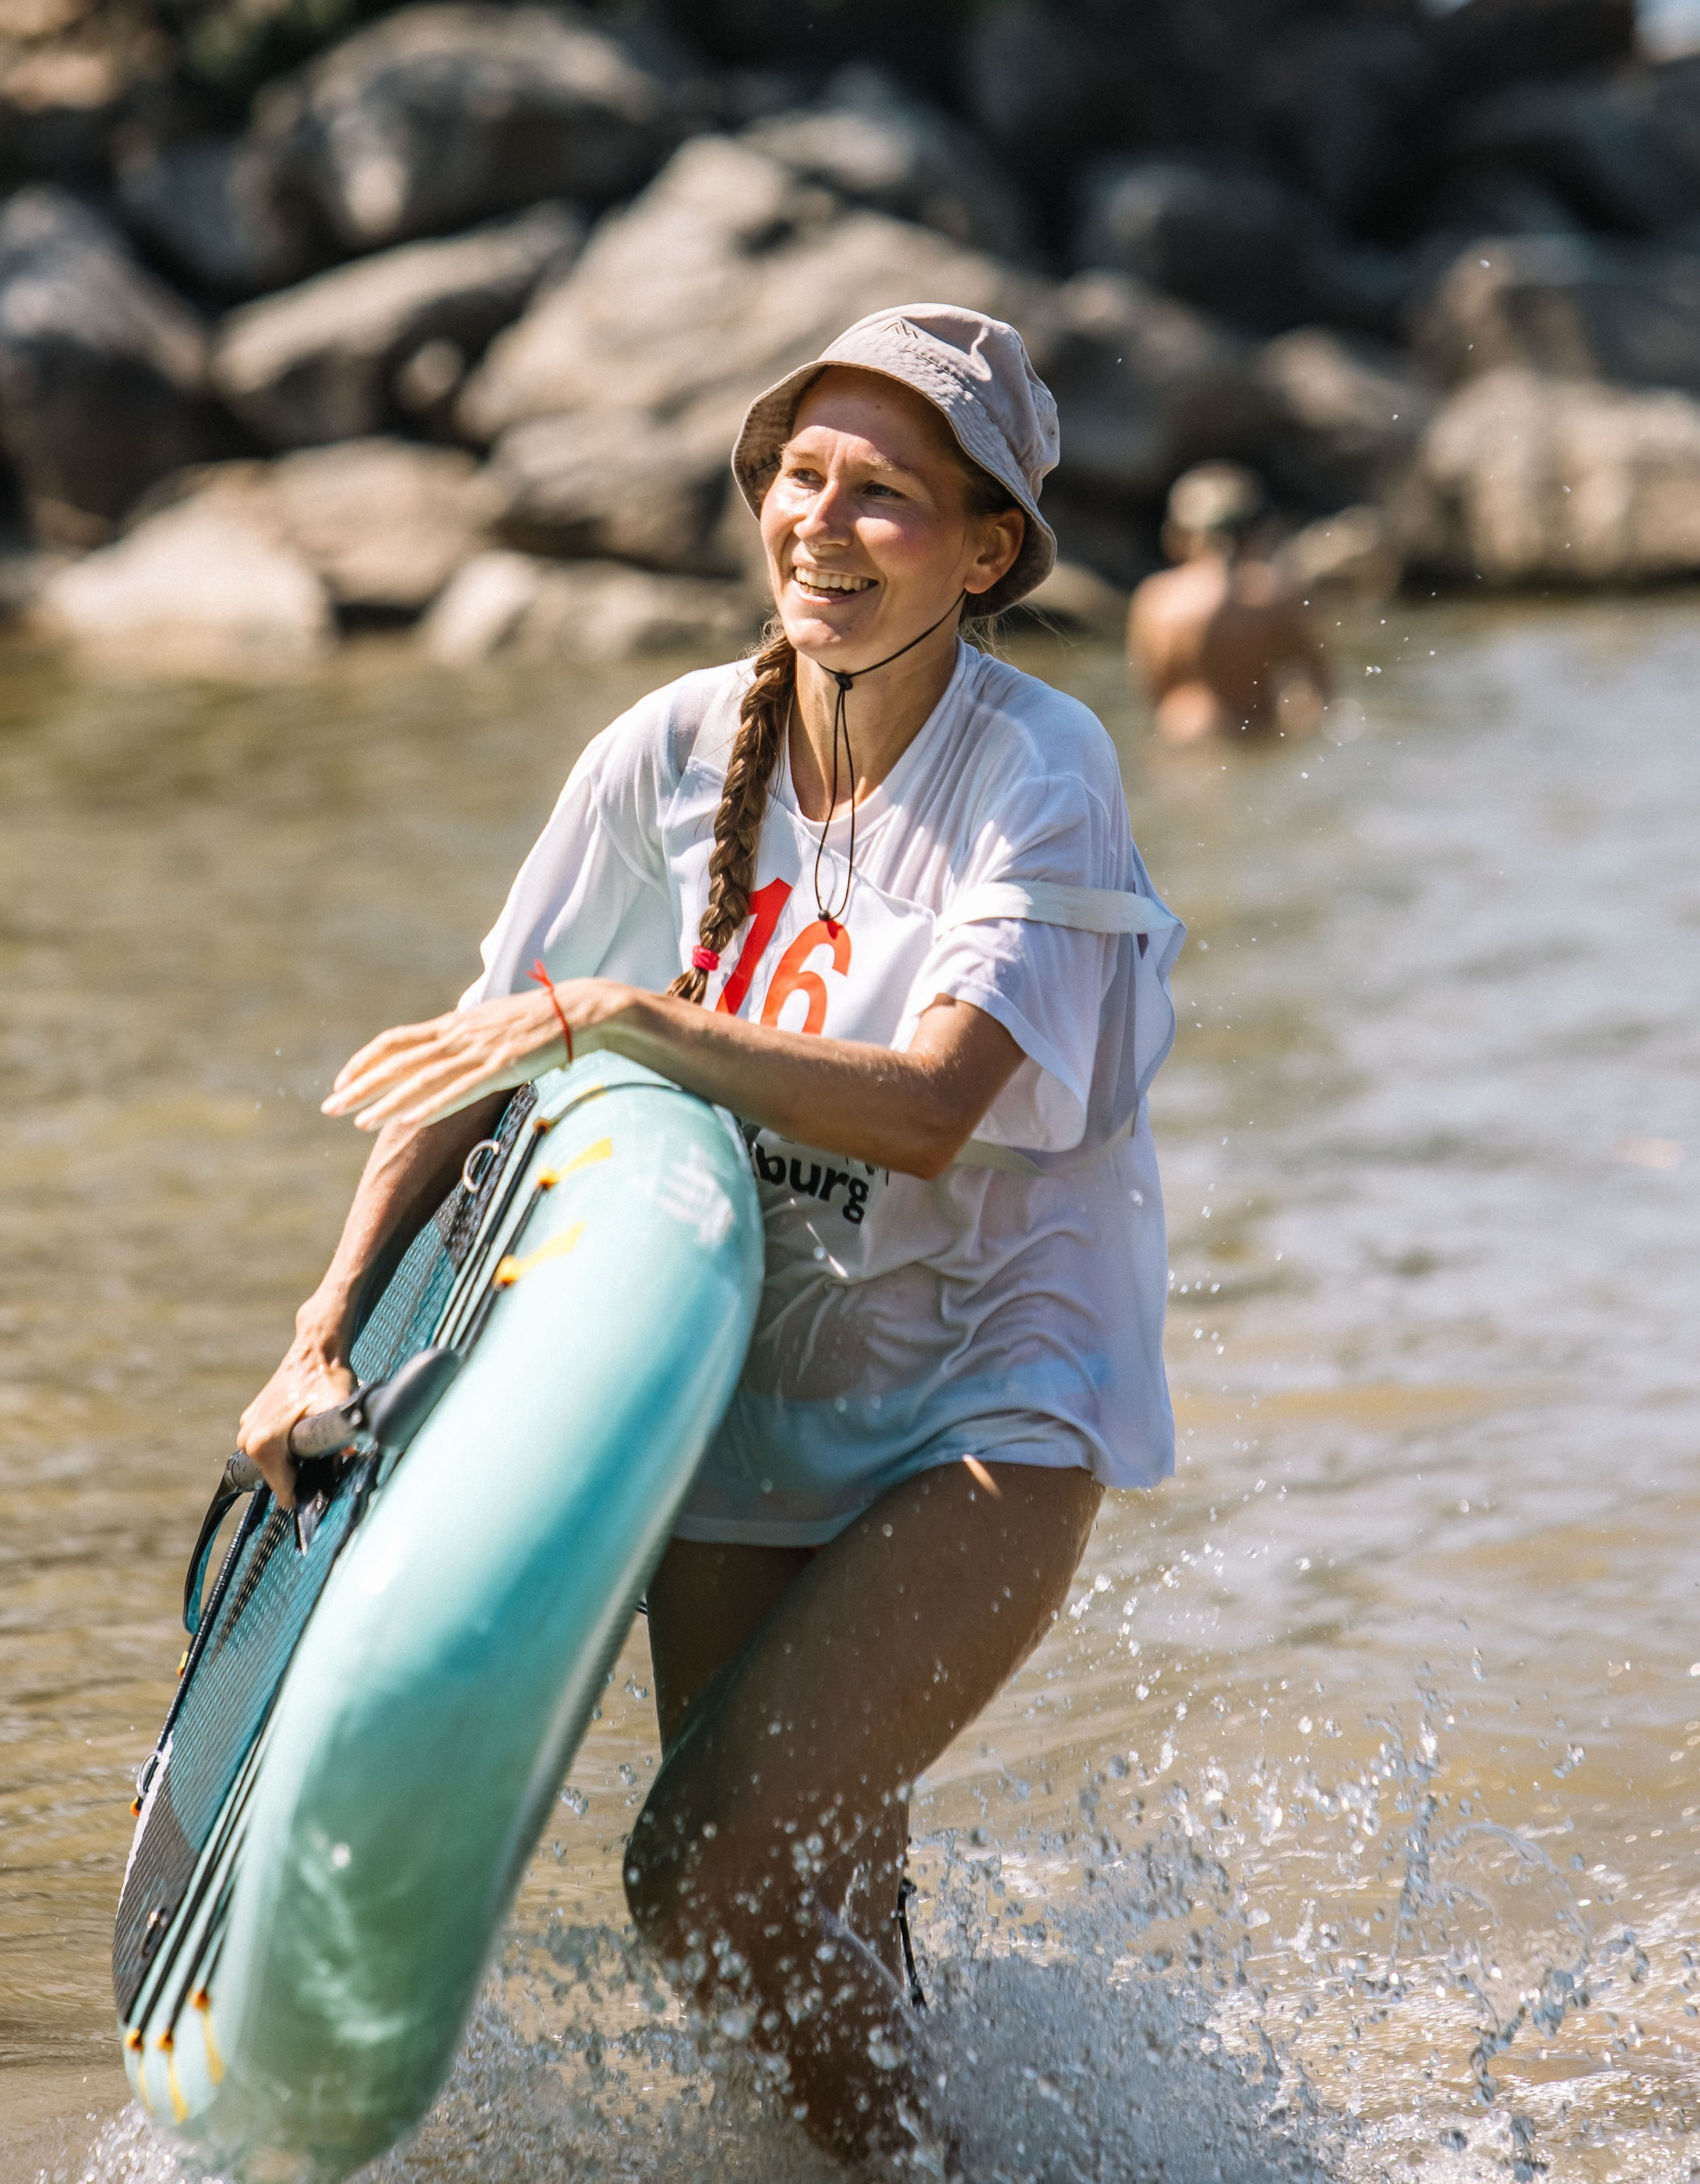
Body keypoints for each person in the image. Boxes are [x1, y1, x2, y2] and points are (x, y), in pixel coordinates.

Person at [239, 302, 1183, 2167]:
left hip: (990, 1394)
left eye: (882, 494)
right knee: (817, 1918)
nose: (821, 521)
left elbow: (929, 1105)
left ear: (983, 552)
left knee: (703, 1863)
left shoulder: (1037, 763)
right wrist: (319, 1330)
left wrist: (630, 1018)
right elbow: (479, 1048)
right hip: (735, 1390)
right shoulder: (664, 749)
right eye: (797, 477)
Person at [1125, 461, 1332, 743]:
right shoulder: (1271, 594)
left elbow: (1152, 691)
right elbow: (1320, 687)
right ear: (1253, 531)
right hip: (1247, 741)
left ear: (1177, 535)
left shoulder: (1154, 598)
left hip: (1177, 744)